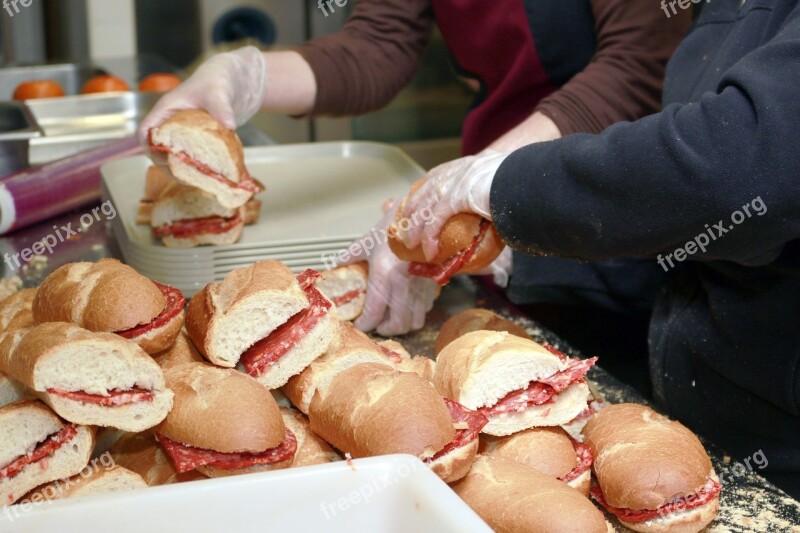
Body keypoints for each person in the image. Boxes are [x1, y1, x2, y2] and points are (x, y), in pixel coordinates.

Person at [397, 0, 800, 497]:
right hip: (702, 406)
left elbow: (743, 165)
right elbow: (681, 203)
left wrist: (505, 184)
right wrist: (509, 245)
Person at [139, 0, 689, 336]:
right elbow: (379, 44)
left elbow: (636, 66)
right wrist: (244, 75)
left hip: (606, 198)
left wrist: (477, 183)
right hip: (484, 200)